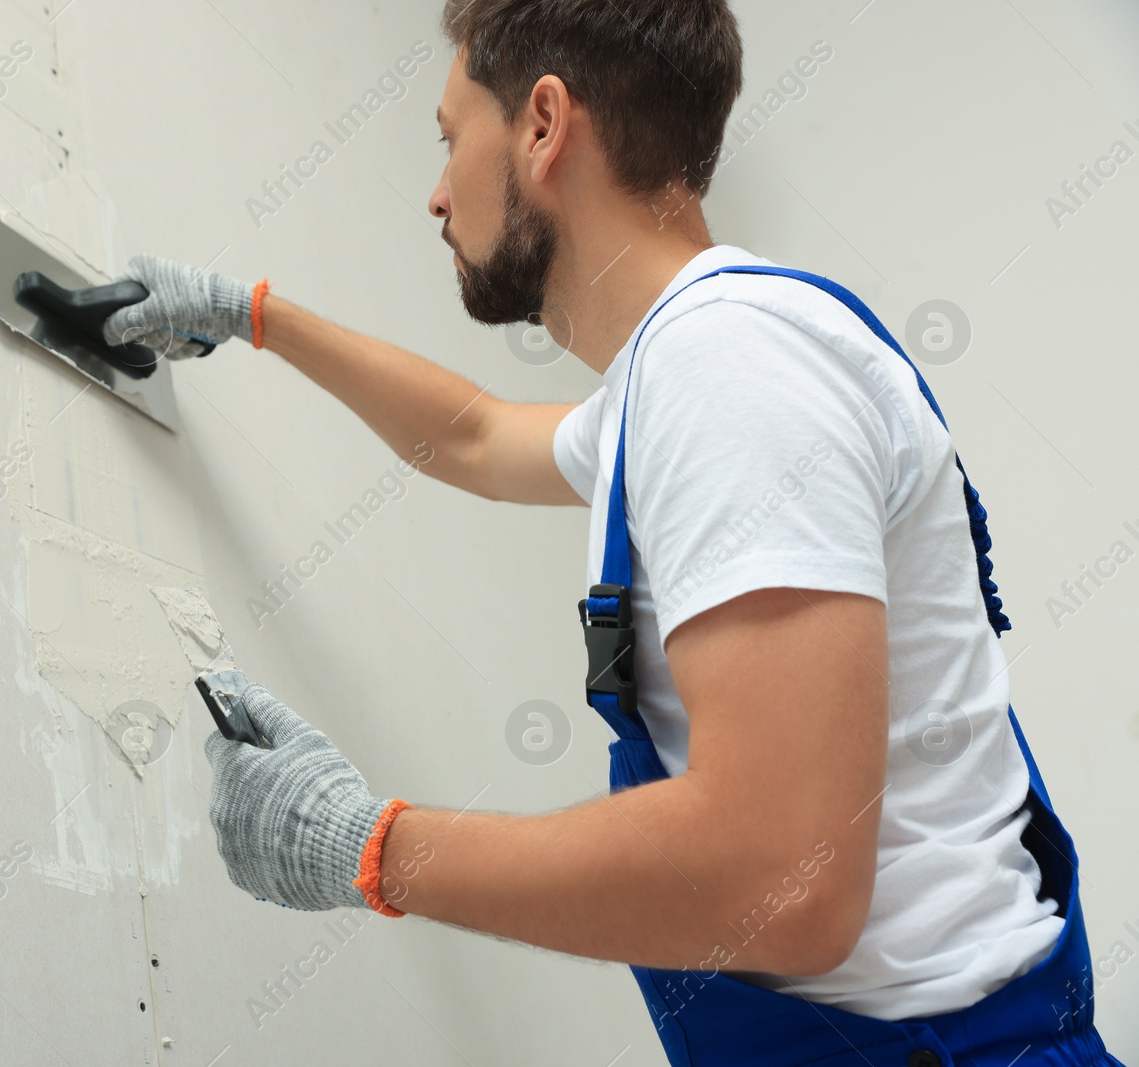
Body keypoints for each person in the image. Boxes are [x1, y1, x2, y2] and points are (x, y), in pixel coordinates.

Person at [98, 1, 1122, 1062]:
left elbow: (787, 877)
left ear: (542, 124)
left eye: (452, 138)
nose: (436, 193)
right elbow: (477, 438)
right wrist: (250, 313)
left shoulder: (726, 367)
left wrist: (367, 847)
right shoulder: (682, 376)